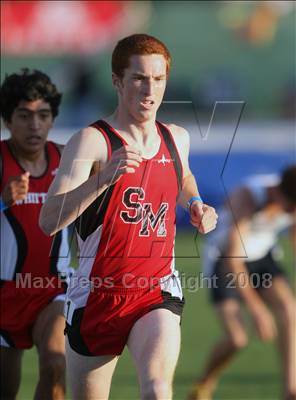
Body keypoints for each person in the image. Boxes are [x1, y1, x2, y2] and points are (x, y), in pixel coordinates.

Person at [39, 33, 218, 400]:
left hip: (156, 292)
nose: (149, 89)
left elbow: (182, 175)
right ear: (117, 81)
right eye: (138, 78)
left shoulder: (176, 137)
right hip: (97, 298)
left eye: (159, 78)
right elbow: (49, 220)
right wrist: (103, 179)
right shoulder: (92, 142)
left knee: (156, 389)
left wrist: (196, 203)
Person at [188, 167, 296, 400]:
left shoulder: (291, 196)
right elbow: (234, 259)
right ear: (279, 194)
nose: (290, 213)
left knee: (289, 309)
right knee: (237, 338)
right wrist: (258, 310)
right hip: (226, 261)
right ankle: (204, 382)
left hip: (262, 255)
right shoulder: (248, 197)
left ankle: (290, 390)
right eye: (290, 208)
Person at [0, 69, 71, 400]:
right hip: (4, 295)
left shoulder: (69, 160)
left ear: (52, 119)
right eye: (24, 116)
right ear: (7, 120)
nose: (35, 125)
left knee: (56, 365)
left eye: (43, 115)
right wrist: (1, 202)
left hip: (51, 290)